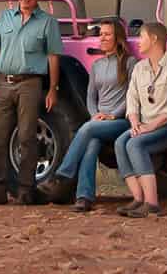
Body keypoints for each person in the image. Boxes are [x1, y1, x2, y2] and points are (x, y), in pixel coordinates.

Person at [0, 0, 63, 205]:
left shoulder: (48, 23)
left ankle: (26, 189)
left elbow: (54, 57)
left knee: (26, 137)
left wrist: (53, 88)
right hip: (3, 82)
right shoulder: (5, 17)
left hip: (30, 83)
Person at [43, 19, 134, 211]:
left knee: (88, 129)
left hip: (121, 120)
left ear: (117, 38)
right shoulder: (97, 65)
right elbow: (90, 97)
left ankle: (63, 173)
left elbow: (133, 96)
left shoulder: (130, 62)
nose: (102, 38)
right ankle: (84, 198)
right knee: (91, 143)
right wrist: (95, 114)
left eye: (107, 34)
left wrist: (113, 115)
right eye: (101, 34)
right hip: (98, 120)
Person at [114, 22, 167, 218]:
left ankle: (152, 203)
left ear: (154, 39)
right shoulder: (140, 68)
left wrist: (150, 127)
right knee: (121, 142)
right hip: (146, 125)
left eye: (142, 36)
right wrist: (135, 122)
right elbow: (132, 99)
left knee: (135, 145)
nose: (138, 41)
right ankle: (138, 199)